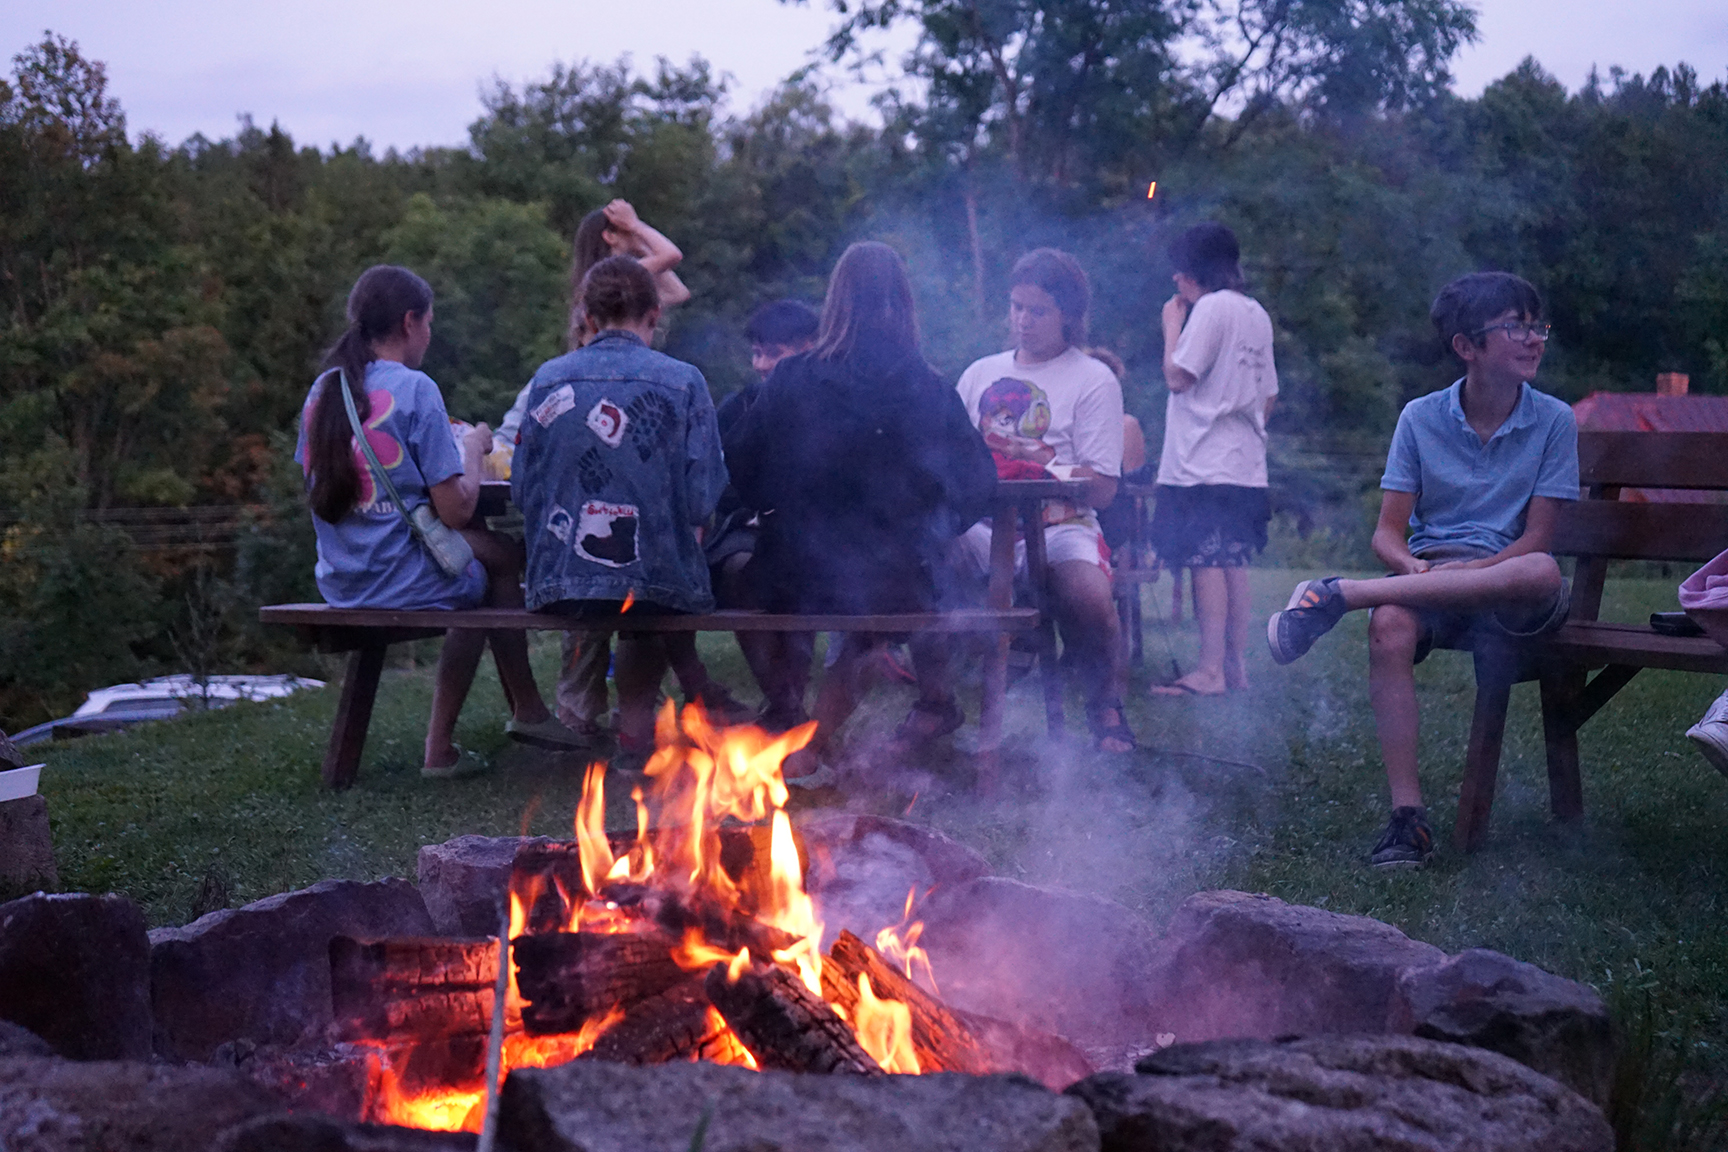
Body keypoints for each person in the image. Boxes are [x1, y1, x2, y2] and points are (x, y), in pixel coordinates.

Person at [1266, 271, 1577, 868]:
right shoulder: (1420, 417)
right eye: (1515, 326)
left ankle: (1339, 596)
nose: (1535, 338)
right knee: (1391, 624)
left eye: (1537, 325)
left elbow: (1538, 538)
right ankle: (1407, 821)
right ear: (1467, 346)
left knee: (1542, 569)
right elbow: (1388, 531)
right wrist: (1412, 568)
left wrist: (1460, 574)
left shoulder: (1554, 421)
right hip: (1428, 577)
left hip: (1511, 587)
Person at [296, 265, 583, 778]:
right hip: (397, 582)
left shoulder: (324, 389)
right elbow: (457, 510)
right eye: (429, 323)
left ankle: (527, 711)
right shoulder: (415, 388)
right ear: (410, 322)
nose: (430, 334)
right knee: (491, 570)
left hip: (341, 579)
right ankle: (453, 743)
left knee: (494, 555)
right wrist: (472, 447)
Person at [728, 241, 996, 774]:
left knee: (745, 578)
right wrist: (932, 528)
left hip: (796, 573)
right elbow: (977, 487)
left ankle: (800, 731)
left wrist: (783, 507)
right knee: (894, 597)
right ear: (903, 302)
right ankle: (812, 740)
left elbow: (740, 470)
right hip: (897, 573)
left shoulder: (790, 379)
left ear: (834, 302)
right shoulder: (929, 387)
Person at [512, 255, 728, 755]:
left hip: (562, 582)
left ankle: (581, 716)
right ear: (655, 314)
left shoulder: (548, 379)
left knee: (616, 588)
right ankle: (635, 733)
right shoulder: (685, 382)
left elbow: (522, 491)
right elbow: (702, 499)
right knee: (647, 588)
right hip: (657, 581)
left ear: (586, 317)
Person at [954, 248, 1136, 753]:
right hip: (981, 528)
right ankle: (933, 703)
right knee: (923, 559)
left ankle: (1105, 706)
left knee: (1089, 596)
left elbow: (1102, 486)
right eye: (1017, 308)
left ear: (1069, 316)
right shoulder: (977, 374)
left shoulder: (1092, 379)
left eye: (1038, 311)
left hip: (1062, 526)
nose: (1023, 321)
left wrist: (1039, 470)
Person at [1148, 223, 1278, 697]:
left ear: (1187, 275)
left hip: (1202, 460)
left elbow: (1178, 376)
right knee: (1232, 562)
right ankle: (1233, 667)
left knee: (1206, 559)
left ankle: (1209, 671)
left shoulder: (1211, 308)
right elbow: (1269, 398)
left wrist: (1171, 326)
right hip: (1244, 463)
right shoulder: (1255, 312)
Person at [712, 300, 822, 731]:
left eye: (773, 353)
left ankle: (785, 708)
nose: (760, 365)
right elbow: (717, 482)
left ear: (809, 347)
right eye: (756, 353)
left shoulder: (833, 407)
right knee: (742, 571)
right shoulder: (739, 407)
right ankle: (786, 705)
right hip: (748, 530)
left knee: (800, 571)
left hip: (817, 537)